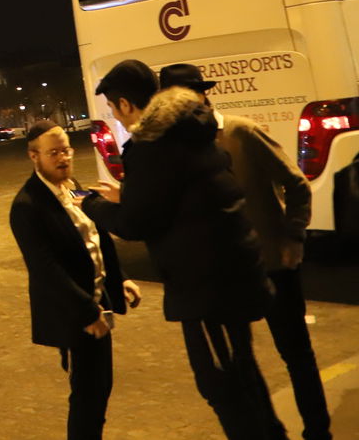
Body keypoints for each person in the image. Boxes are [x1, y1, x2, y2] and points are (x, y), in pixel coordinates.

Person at [87, 60, 283, 440]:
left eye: (113, 107)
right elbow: (175, 198)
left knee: (222, 383)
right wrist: (127, 197)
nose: (114, 115)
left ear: (126, 104)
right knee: (242, 371)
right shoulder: (188, 130)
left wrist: (91, 206)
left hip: (207, 287)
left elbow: (135, 224)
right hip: (231, 269)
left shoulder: (150, 146)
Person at [158, 63, 330, 440]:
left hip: (273, 264)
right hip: (228, 276)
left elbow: (296, 184)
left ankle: (319, 432)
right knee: (241, 365)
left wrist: (294, 237)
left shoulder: (242, 133)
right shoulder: (182, 149)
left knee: (296, 355)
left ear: (204, 95)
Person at [9, 120, 140, 440]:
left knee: (98, 389)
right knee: (87, 395)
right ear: (33, 157)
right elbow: (45, 269)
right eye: (53, 152)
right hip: (74, 313)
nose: (63, 158)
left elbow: (95, 238)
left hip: (96, 303)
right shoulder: (27, 206)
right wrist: (87, 312)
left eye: (66, 150)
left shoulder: (74, 186)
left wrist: (119, 278)